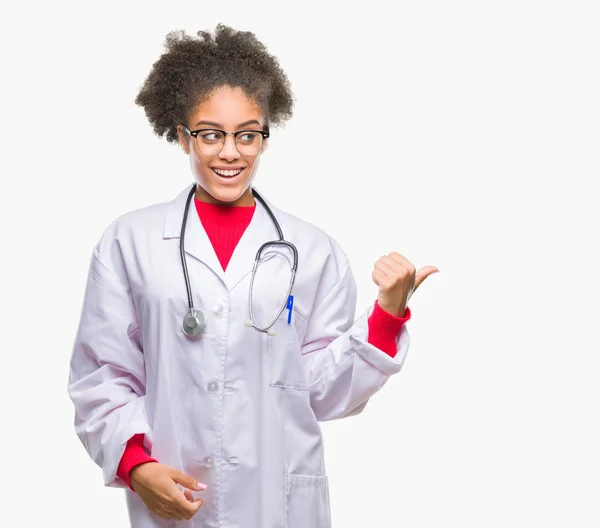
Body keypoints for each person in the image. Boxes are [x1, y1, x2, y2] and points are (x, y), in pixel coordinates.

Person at [67, 24, 439, 528]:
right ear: (182, 136)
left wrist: (388, 316)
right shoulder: (128, 241)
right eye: (211, 134)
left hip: (280, 503)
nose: (230, 152)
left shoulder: (312, 250)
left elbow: (324, 391)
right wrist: (137, 466)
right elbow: (102, 374)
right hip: (175, 497)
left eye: (247, 134)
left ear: (265, 135)